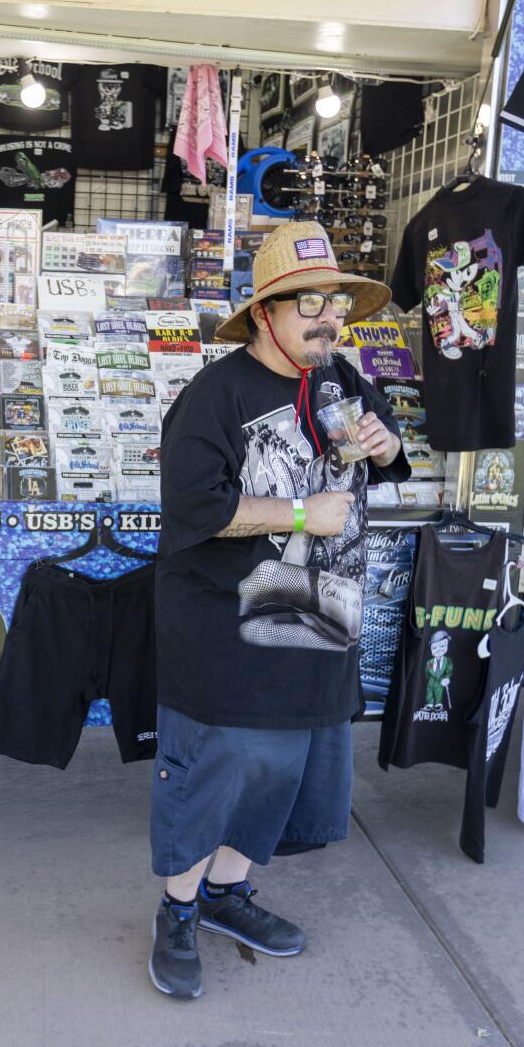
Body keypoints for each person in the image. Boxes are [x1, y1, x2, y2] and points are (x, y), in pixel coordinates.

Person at [149, 220, 407, 1000]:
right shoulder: (213, 396)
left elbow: (385, 450)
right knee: (215, 771)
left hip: (320, 613)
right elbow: (193, 506)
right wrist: (299, 513)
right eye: (308, 304)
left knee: (282, 772)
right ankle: (178, 911)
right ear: (265, 313)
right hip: (224, 627)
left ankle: (228, 894)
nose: (328, 318)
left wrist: (385, 444)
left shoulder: (339, 378)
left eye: (335, 303)